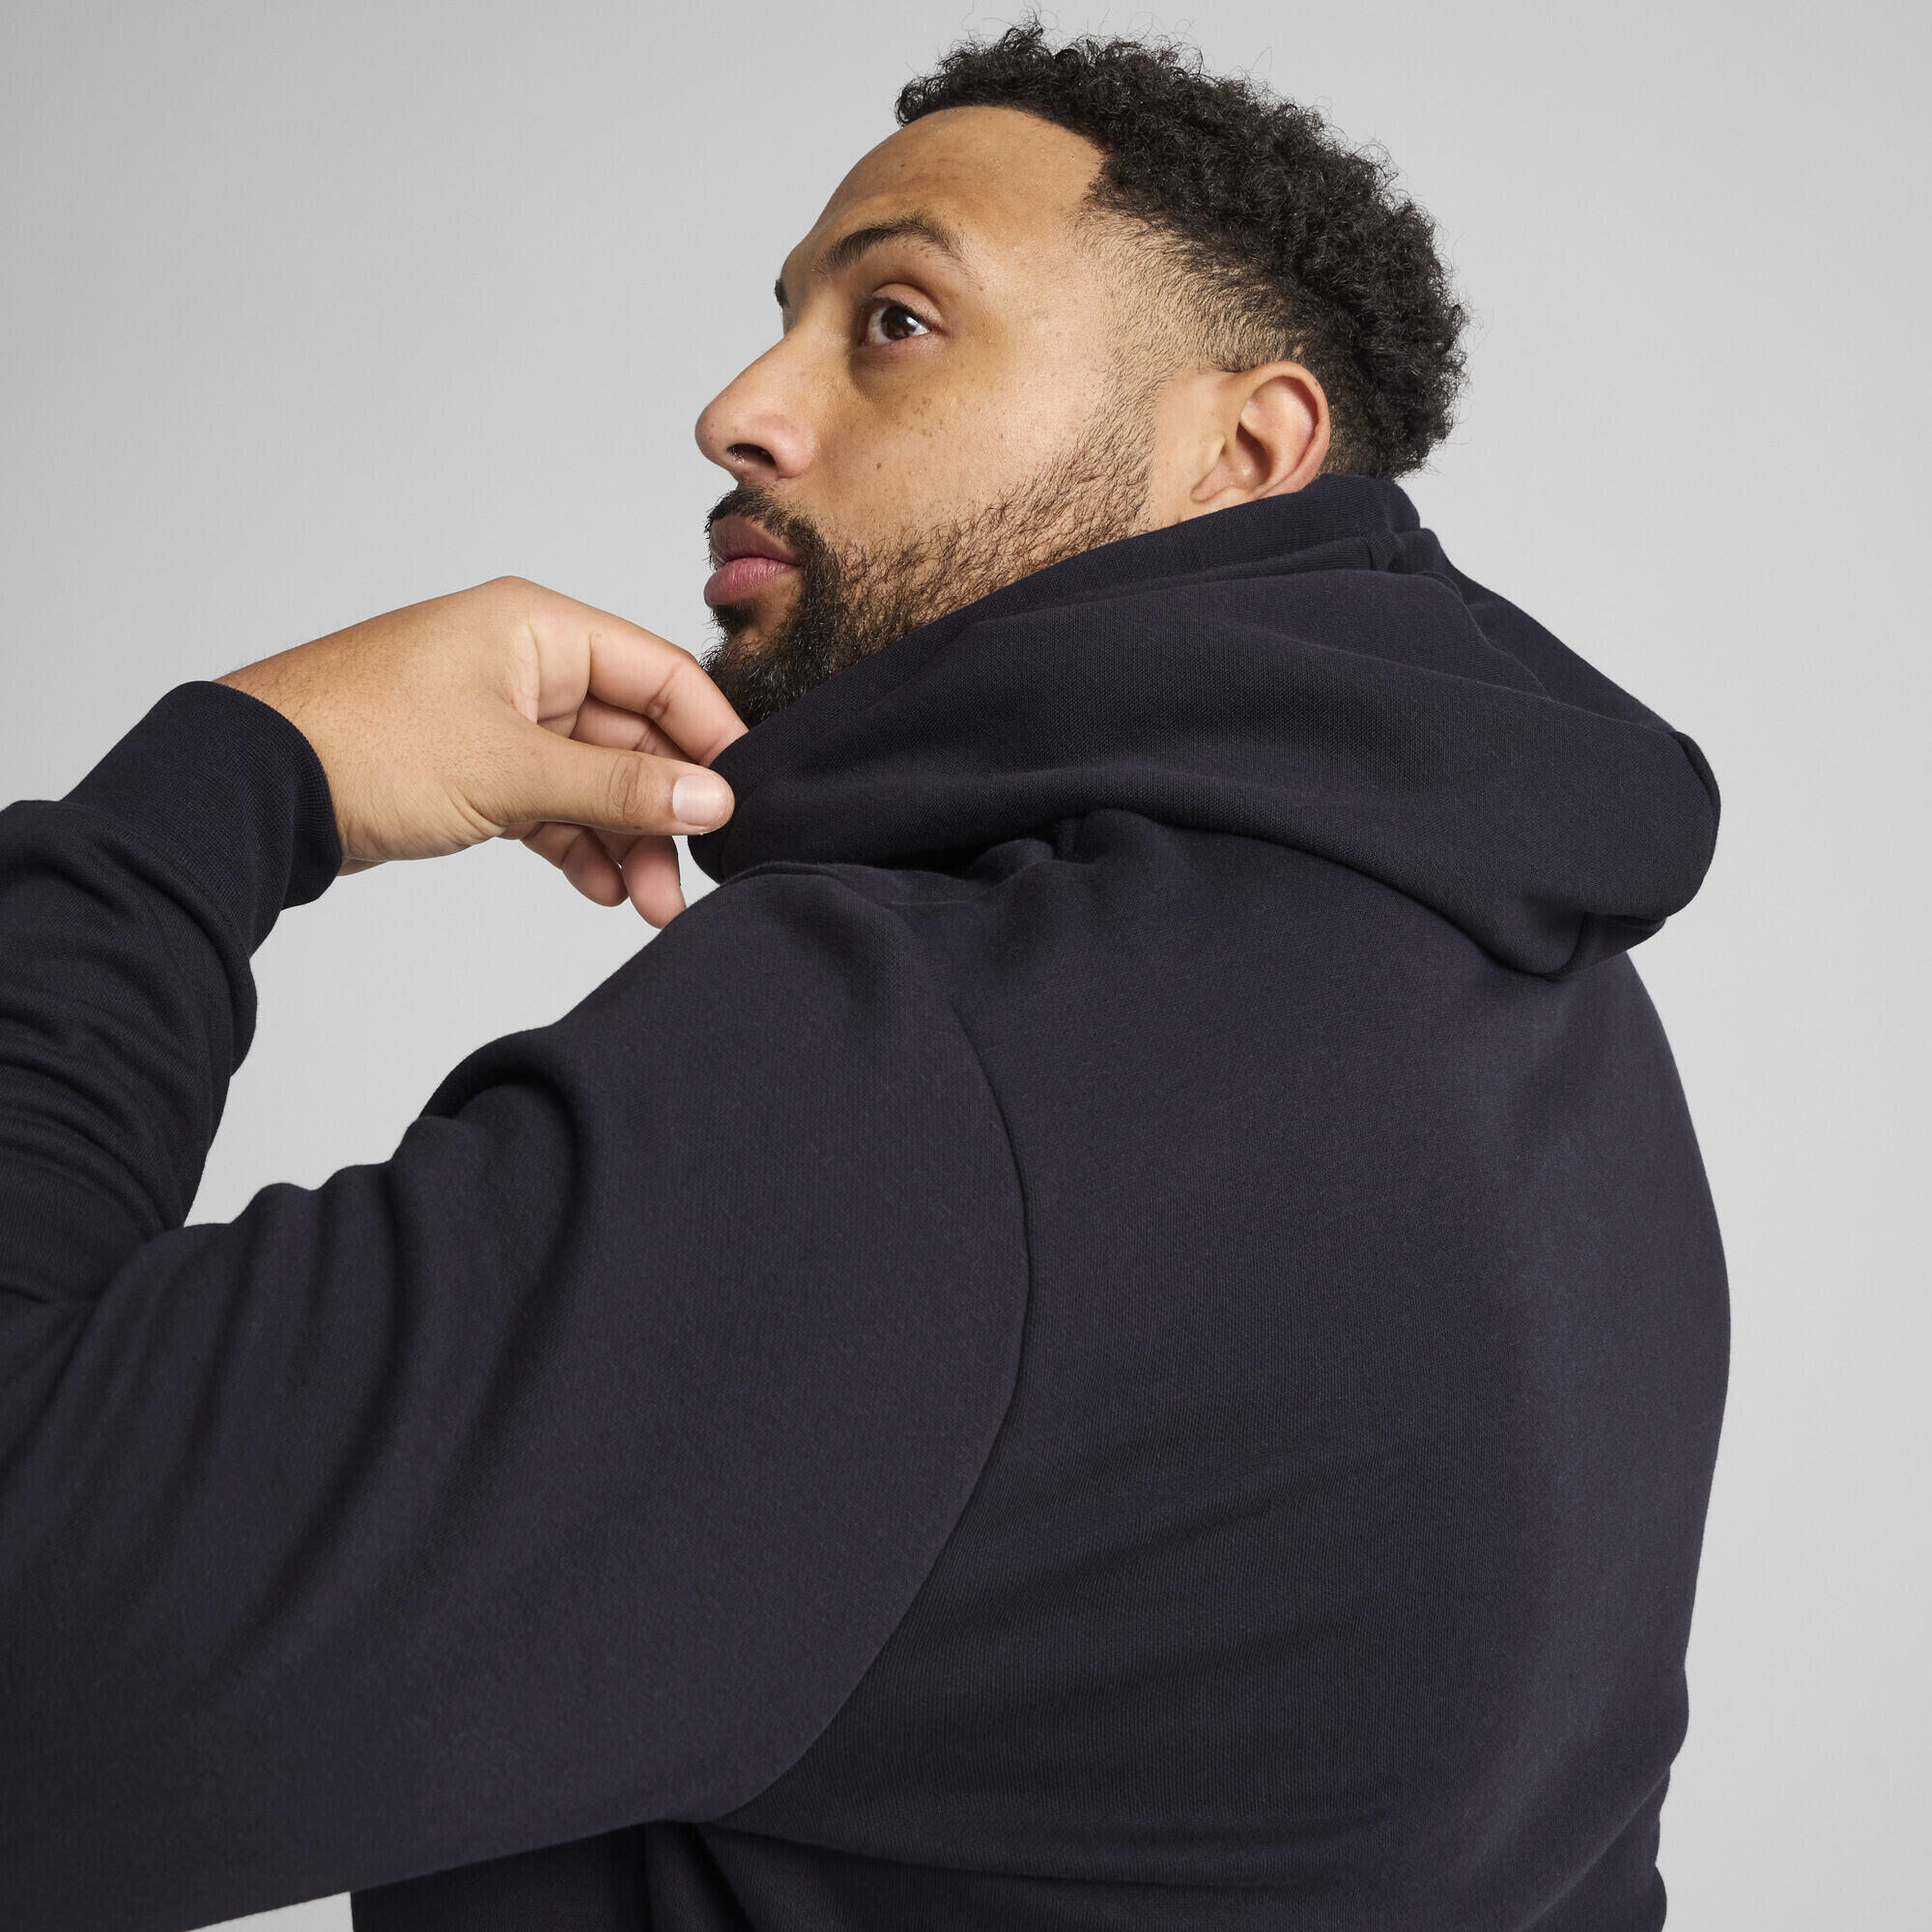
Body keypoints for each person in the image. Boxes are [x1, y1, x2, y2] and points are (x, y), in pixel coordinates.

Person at [0, 24, 1728, 1932]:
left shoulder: (930, 1064)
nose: (736, 411)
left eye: (894, 320)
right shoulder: (1533, 990)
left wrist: (234, 783)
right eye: (784, 321)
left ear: (1243, 449)